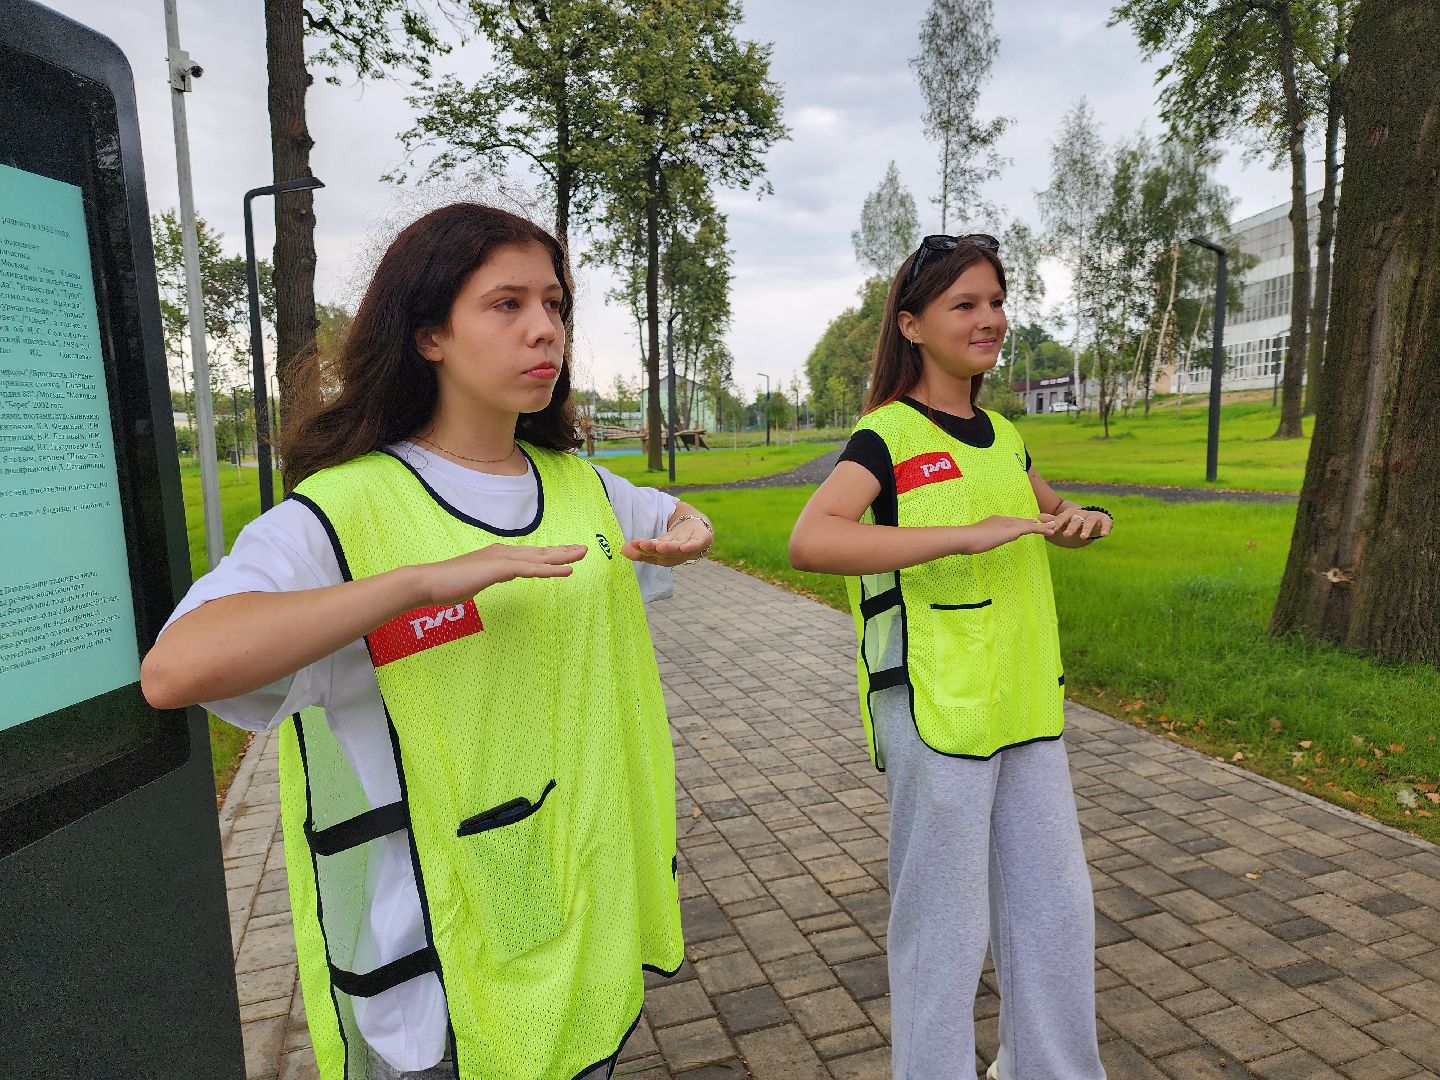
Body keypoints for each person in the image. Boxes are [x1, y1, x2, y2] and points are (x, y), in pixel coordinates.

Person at [141, 204, 712, 1080]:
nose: (545, 329)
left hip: (583, 919)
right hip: (438, 968)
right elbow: (178, 667)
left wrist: (691, 523)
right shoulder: (345, 511)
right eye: (506, 304)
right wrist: (416, 583)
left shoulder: (579, 486)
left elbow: (665, 516)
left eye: (555, 304)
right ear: (428, 335)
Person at [788, 234, 1111, 1080]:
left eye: (997, 301)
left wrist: (1080, 517)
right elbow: (812, 539)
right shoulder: (885, 437)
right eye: (965, 304)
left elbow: (1048, 507)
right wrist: (963, 537)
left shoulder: (1005, 435)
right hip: (934, 707)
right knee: (946, 921)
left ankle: (1052, 1069)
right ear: (913, 325)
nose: (990, 319)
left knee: (1055, 907)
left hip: (1026, 702)